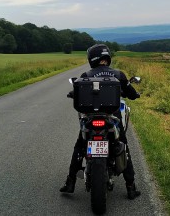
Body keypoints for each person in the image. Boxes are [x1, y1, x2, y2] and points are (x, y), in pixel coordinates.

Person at [60, 44, 141, 200]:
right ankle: (131, 187)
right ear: (107, 58)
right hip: (113, 119)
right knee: (123, 146)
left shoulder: (86, 74)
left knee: (80, 146)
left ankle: (70, 182)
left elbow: (76, 92)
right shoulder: (119, 74)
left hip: (91, 119)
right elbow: (131, 93)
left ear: (91, 58)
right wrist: (135, 94)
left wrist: (72, 94)